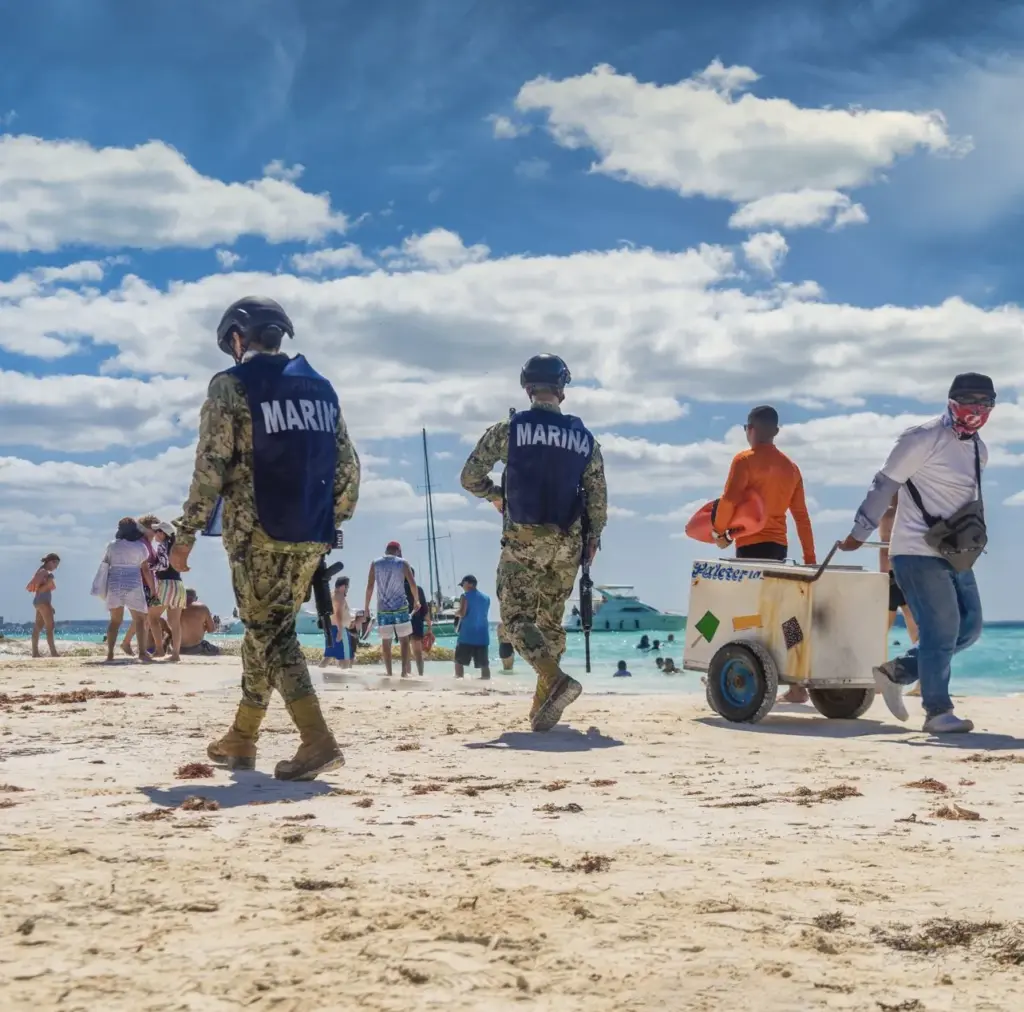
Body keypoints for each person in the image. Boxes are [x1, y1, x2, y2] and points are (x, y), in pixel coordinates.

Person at [170, 295, 360, 780]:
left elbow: (210, 466)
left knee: (270, 634)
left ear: (237, 338)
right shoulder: (320, 388)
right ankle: (242, 736)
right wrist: (330, 521)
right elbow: (348, 468)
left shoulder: (231, 385)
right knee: (267, 631)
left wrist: (186, 533)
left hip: (258, 534)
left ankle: (317, 740)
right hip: (312, 532)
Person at [839, 373, 994, 734]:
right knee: (941, 628)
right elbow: (883, 485)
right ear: (952, 400)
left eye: (986, 403)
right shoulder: (921, 438)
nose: (978, 410)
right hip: (914, 548)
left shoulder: (977, 449)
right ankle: (938, 711)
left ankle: (897, 673)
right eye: (970, 401)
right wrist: (859, 532)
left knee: (969, 627)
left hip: (955, 551)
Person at [460, 353, 608, 731]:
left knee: (515, 619)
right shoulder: (583, 437)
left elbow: (470, 476)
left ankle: (554, 681)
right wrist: (593, 539)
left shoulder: (510, 429)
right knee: (551, 622)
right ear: (562, 390)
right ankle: (543, 708)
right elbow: (596, 497)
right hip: (568, 540)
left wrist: (496, 495)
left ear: (527, 388)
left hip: (524, 536)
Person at [713, 404, 817, 703]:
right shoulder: (791, 468)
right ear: (776, 431)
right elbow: (801, 516)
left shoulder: (744, 460)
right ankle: (797, 685)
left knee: (747, 615)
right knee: (783, 615)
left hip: (750, 546)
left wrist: (719, 533)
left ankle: (744, 673)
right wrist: (810, 559)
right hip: (778, 547)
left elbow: (730, 500)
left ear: (751, 429)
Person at [879, 494, 921, 696]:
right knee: (916, 631)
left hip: (892, 576)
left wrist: (882, 578)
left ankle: (879, 680)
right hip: (907, 575)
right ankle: (921, 683)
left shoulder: (887, 513)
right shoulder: (911, 512)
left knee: (880, 633)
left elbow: (883, 549)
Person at [98, 518, 154, 663]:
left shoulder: (112, 546)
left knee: (115, 621)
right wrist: (153, 589)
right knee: (140, 620)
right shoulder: (140, 547)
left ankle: (110, 654)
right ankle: (142, 653)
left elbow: (106, 563)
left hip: (115, 583)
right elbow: (145, 569)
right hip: (133, 583)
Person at [363, 541, 418, 678]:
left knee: (386, 641)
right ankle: (404, 672)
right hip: (400, 607)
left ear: (386, 550)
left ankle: (389, 672)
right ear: (398, 550)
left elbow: (370, 586)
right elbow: (412, 584)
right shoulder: (403, 563)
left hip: (383, 608)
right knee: (404, 640)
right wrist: (416, 600)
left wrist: (366, 607)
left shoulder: (375, 563)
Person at [146, 521, 186, 662]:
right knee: (175, 622)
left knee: (152, 617)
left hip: (165, 585)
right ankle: (175, 654)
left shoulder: (163, 546)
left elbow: (163, 566)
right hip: (178, 585)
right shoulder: (176, 548)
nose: (155, 534)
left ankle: (159, 650)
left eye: (157, 531)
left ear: (163, 533)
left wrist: (149, 566)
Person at [454, 575, 491, 680]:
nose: (462, 587)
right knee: (484, 665)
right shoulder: (486, 598)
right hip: (482, 636)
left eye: (463, 584)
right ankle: (486, 684)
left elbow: (462, 613)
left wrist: (455, 613)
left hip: (467, 635)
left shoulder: (465, 596)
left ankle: (458, 682)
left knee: (459, 662)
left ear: (469, 584)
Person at [26, 553, 60, 658]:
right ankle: (53, 653)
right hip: (43, 602)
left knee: (38, 627)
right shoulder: (44, 572)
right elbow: (36, 588)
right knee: (50, 627)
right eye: (56, 564)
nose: (56, 567)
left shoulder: (42, 571)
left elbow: (40, 590)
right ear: (50, 562)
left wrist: (50, 605)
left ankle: (35, 653)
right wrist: (49, 581)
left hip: (40, 602)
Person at [405, 567, 431, 676]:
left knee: (405, 650)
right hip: (416, 621)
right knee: (417, 651)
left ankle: (407, 673)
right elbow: (425, 608)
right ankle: (421, 674)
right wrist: (429, 626)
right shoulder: (418, 589)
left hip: (402, 620)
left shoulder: (398, 588)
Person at [324, 576, 354, 669]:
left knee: (328, 657)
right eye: (347, 587)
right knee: (345, 658)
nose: (348, 589)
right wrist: (341, 630)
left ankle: (319, 673)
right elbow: (338, 613)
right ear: (343, 586)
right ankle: (343, 681)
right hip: (339, 629)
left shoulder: (331, 594)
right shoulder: (339, 596)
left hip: (331, 628)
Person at [179, 588, 220, 655]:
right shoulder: (202, 607)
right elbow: (212, 629)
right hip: (197, 648)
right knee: (217, 650)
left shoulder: (176, 608)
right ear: (196, 598)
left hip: (178, 648)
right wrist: (203, 627)